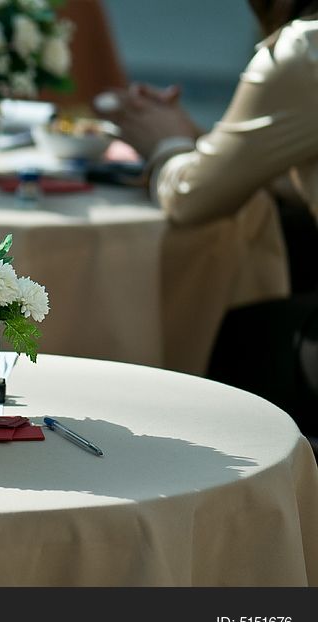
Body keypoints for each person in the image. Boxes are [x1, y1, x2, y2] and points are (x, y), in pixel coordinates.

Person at [95, 0, 318, 442]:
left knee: (198, 361)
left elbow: (190, 199)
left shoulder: (304, 47)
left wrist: (166, 144)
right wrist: (199, 145)